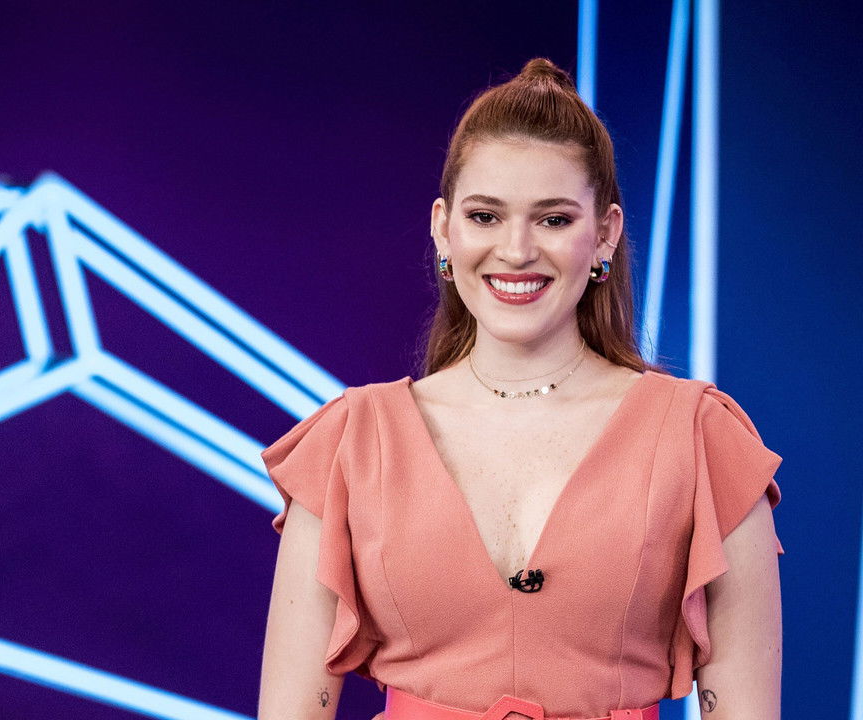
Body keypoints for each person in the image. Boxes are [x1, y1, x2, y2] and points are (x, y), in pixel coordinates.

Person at [256, 58, 783, 720]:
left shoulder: (701, 439)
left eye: (553, 220)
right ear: (443, 228)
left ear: (605, 235)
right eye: (485, 216)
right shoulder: (349, 444)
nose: (515, 249)